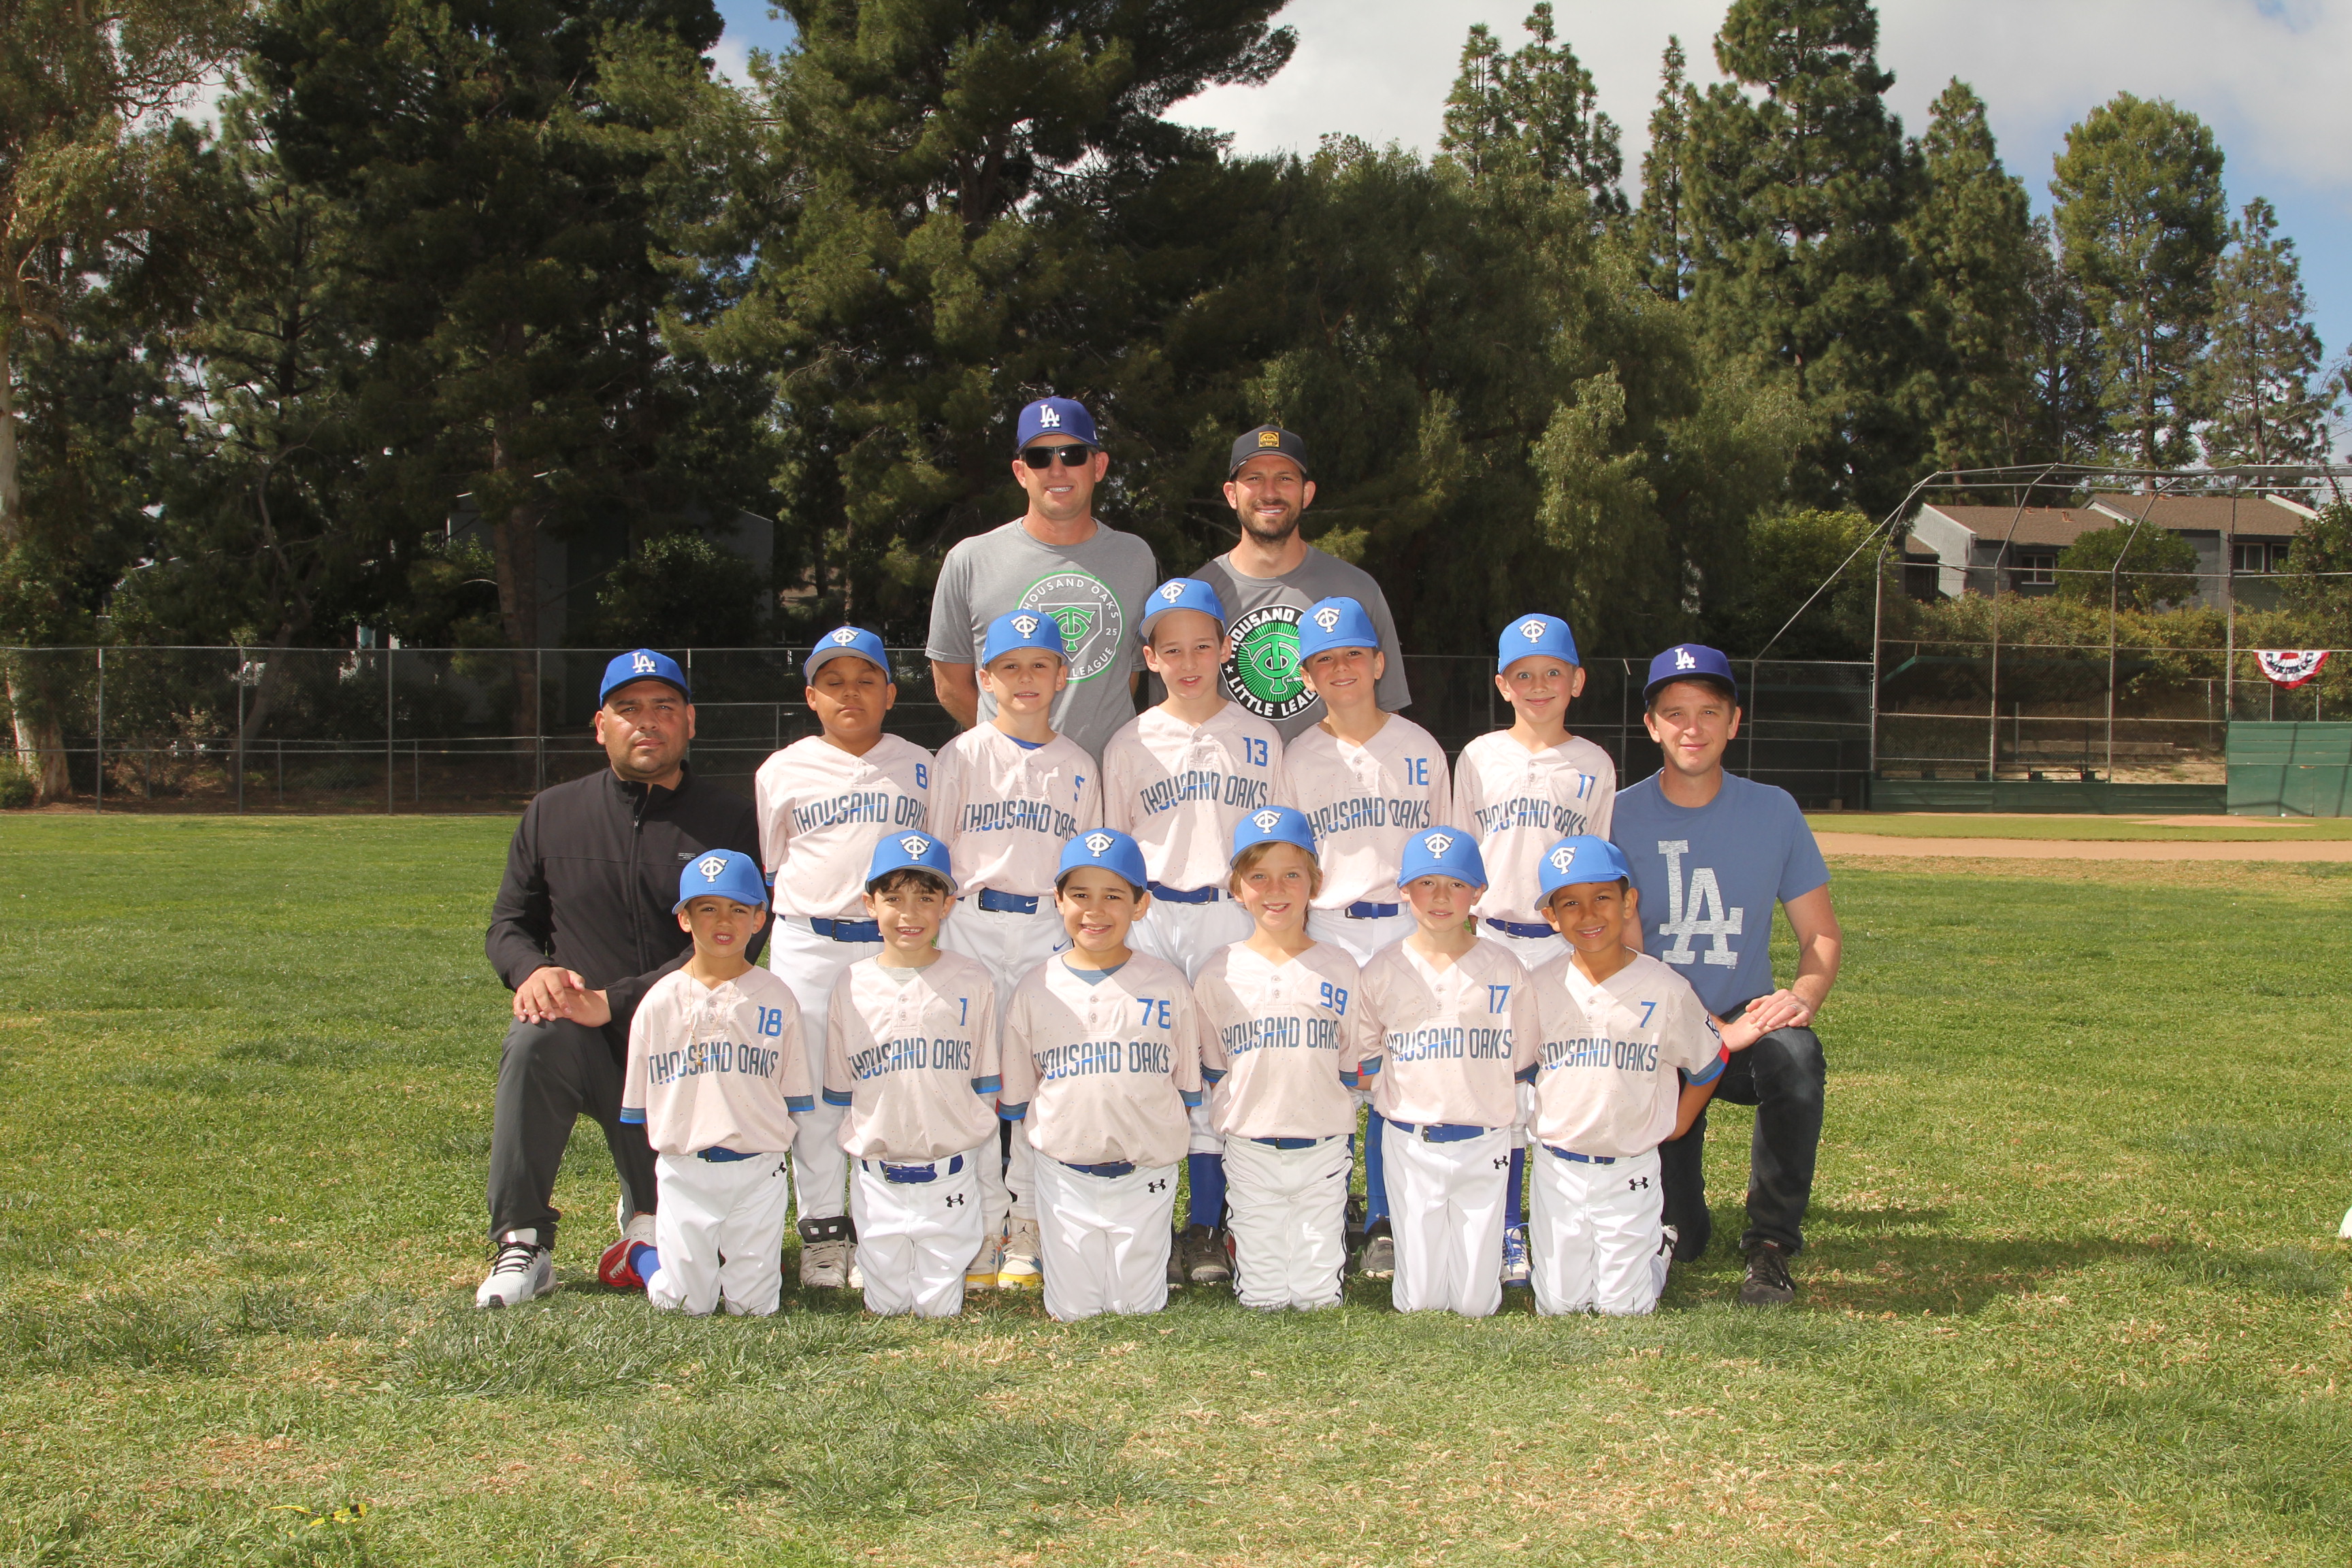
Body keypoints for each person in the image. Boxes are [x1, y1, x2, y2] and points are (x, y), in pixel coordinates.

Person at [477, 649, 764, 1310]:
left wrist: (617, 1000)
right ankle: (523, 1241)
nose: (647, 722)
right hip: (582, 1040)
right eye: (628, 709)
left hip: (689, 1041)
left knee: (694, 1254)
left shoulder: (729, 820)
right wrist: (533, 972)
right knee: (535, 1038)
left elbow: (739, 939)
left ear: (690, 722)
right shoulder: (553, 812)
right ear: (600, 725)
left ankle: (649, 1211)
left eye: (664, 707)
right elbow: (508, 925)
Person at [1609, 644, 1843, 1308]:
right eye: (1675, 713)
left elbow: (1821, 935)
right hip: (1657, 1033)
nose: (1693, 728)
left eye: (1709, 712)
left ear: (1735, 721)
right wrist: (1702, 1027)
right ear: (1651, 726)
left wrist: (1801, 995)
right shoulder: (1617, 815)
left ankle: (1771, 1244)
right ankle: (1681, 1214)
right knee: (1683, 1238)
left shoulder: (1774, 811)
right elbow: (1614, 948)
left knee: (1795, 1056)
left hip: (1744, 1024)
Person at [1102, 576, 1291, 1287]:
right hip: (1149, 913)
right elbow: (1114, 847)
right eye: (1171, 649)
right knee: (1144, 1059)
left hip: (1226, 911)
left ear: (1226, 649)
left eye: (1202, 647)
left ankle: (1209, 1222)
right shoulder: (1129, 743)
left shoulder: (1260, 738)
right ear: (1149, 658)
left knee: (1222, 1064)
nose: (1188, 662)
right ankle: (1143, 1219)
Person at [753, 627, 933, 1290]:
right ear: (811, 697)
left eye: (865, 681)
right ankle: (824, 1229)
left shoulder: (923, 765)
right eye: (833, 683)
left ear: (890, 693)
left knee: (890, 1080)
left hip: (895, 943)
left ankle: (883, 1222)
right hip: (809, 937)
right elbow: (774, 861)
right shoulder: (781, 770)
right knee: (811, 1092)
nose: (849, 694)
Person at [930, 610, 1105, 1290]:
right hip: (971, 922)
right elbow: (936, 857)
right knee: (969, 1075)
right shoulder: (961, 756)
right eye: (1010, 666)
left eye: (1040, 665)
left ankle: (1027, 1223)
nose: (1025, 678)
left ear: (1063, 676)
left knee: (1042, 1077)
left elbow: (1085, 870)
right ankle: (978, 1223)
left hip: (1046, 929)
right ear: (985, 679)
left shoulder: (1079, 765)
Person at [1285, 594, 1457, 1279]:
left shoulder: (1419, 747)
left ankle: (1386, 1216)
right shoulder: (1298, 756)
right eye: (1324, 660)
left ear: (1379, 662)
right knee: (1328, 1070)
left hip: (1405, 925)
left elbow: (1443, 852)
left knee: (1398, 1073)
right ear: (1306, 675)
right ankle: (1331, 1206)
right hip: (1330, 924)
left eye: (1353, 654)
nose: (1341, 668)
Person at [1526, 836, 1765, 1317]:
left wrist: (1679, 1122)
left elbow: (1710, 1059)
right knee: (1558, 1305)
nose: (1588, 914)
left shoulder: (1665, 987)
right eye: (1570, 904)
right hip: (1558, 1167)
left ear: (1629, 902)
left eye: (1602, 897)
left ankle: (1657, 1247)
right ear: (1552, 917)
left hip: (1630, 1167)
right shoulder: (1538, 985)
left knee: (1625, 1309)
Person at [1452, 612, 1616, 1290]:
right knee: (1495, 1086)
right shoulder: (1478, 756)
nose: (1539, 685)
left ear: (1577, 680)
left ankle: (1557, 1216)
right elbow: (1460, 856)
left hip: (1560, 945)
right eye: (1523, 674)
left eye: (1553, 672)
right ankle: (1502, 1223)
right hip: (1490, 935)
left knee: (1556, 1084)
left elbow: (1598, 873)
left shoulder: (1594, 764)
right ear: (1502, 684)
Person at [998, 829, 1206, 1322]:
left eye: (1113, 896)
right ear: (1058, 901)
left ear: (1141, 905)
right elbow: (1024, 1101)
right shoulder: (1035, 987)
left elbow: (1183, 1087)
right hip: (1064, 1176)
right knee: (1073, 1311)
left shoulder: (1168, 984)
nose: (1095, 910)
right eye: (1080, 895)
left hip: (1145, 1173)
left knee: (1137, 1308)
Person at [606, 851, 812, 1318]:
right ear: (684, 918)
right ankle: (641, 1253)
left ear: (759, 919)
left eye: (739, 909)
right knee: (685, 1306)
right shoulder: (659, 1002)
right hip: (686, 1171)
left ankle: (725, 1265)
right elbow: (642, 1109)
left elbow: (791, 1095)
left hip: (758, 1169)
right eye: (707, 908)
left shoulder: (778, 998)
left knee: (755, 1307)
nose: (724, 921)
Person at [1193, 806, 1380, 1311]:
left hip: (1324, 1145)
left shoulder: (1340, 967)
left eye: (1291, 875)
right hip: (1250, 1145)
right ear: (1237, 888)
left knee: (1318, 1296)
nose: (1275, 890)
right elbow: (1218, 1066)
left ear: (1315, 883)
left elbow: (1349, 1064)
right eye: (1258, 876)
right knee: (1263, 1297)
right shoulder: (1218, 972)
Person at [1356, 829, 1538, 1318]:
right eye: (1427, 883)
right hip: (1411, 1141)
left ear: (1478, 892)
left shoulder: (1505, 968)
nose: (1440, 897)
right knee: (1420, 1301)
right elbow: (1364, 1064)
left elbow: (1521, 1063)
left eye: (1456, 884)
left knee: (1477, 1303)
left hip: (1485, 1141)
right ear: (1404, 890)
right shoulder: (1382, 969)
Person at [821, 833, 1000, 1319]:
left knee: (939, 1309)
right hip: (876, 1177)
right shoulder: (850, 984)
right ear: (869, 904)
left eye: (925, 898)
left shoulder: (973, 980)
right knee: (886, 1305)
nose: (910, 913)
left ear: (947, 905)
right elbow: (843, 1089)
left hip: (950, 1174)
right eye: (894, 898)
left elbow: (983, 1090)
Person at [927, 396, 1160, 761]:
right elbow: (951, 685)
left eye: (1072, 455)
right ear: (1021, 473)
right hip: (1007, 782)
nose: (1057, 470)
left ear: (1099, 466)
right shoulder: (970, 560)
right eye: (1039, 458)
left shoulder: (1135, 557)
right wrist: (1017, 748)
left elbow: (1126, 673)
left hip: (1108, 777)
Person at [1185, 425, 1411, 741]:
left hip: (1333, 773)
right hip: (1229, 773)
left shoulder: (1357, 590)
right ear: (1232, 494)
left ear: (1307, 493)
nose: (1269, 493)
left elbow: (1387, 717)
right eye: (1254, 479)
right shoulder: (1195, 597)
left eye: (1285, 478)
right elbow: (1175, 720)